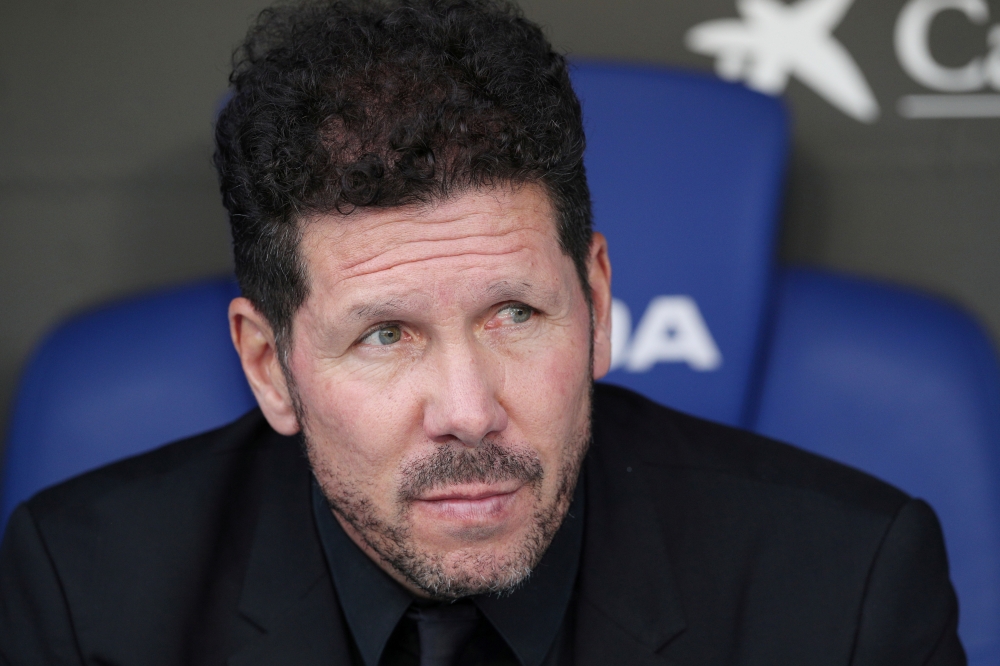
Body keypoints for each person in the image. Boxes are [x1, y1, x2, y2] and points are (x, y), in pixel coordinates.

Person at [0, 0, 965, 664]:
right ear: (269, 366)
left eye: (516, 314)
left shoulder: (846, 593)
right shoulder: (89, 595)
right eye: (385, 335)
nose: (469, 413)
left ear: (594, 302)